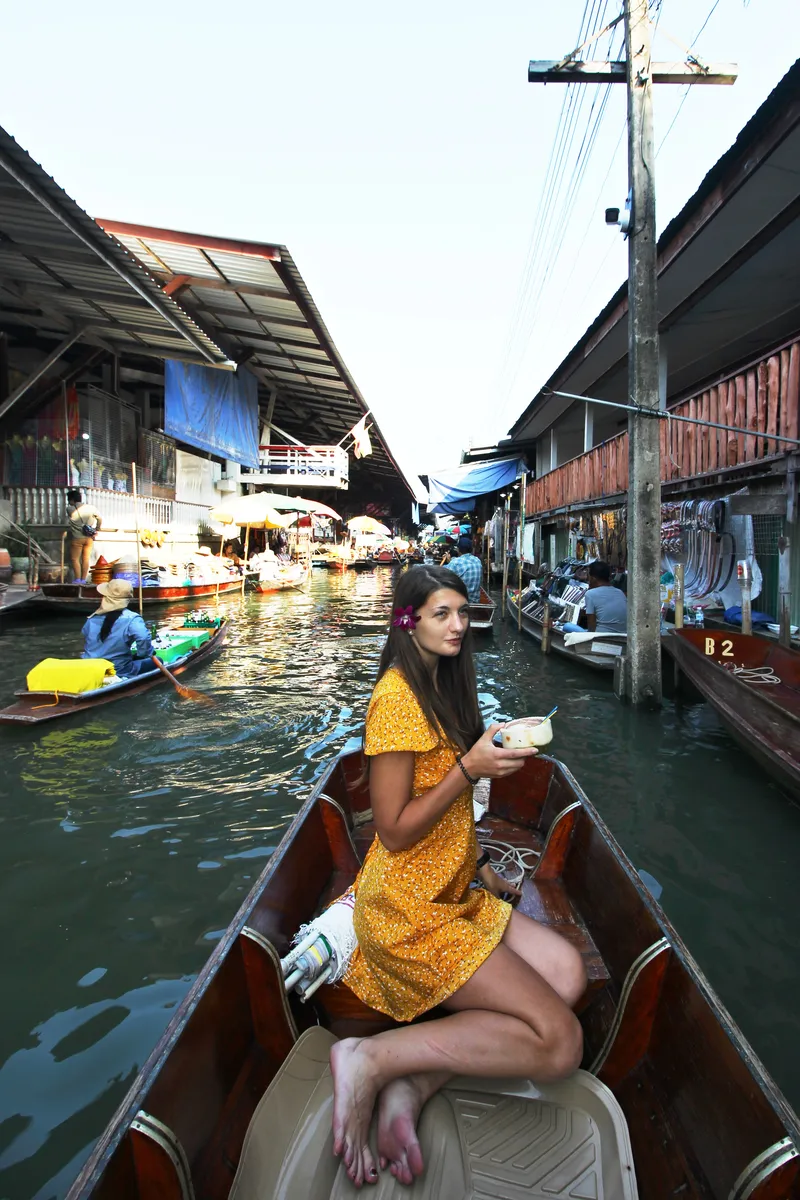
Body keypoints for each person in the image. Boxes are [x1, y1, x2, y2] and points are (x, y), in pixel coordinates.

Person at [331, 566, 586, 1187]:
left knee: (567, 972)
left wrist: (481, 871)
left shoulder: (445, 684)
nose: (457, 625)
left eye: (462, 613)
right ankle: (368, 1057)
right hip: (406, 913)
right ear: (407, 619)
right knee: (561, 1045)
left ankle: (415, 1083)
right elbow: (391, 829)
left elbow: (450, 819)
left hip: (451, 893)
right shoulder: (396, 698)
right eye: (441, 613)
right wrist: (469, 769)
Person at [81, 580, 155, 677]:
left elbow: (86, 635)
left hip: (89, 668)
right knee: (158, 661)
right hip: (119, 670)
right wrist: (142, 654)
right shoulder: (132, 618)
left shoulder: (92, 618)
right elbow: (143, 637)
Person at [562, 560, 627, 633]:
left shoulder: (590, 594)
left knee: (567, 626)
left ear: (593, 578)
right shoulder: (620, 592)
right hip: (622, 636)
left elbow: (591, 626)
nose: (587, 579)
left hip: (601, 637)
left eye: (588, 576)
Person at [66, 489, 102, 583]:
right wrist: (97, 528)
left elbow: (71, 510)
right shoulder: (92, 508)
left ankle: (78, 579)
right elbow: (100, 518)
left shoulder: (70, 509)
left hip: (77, 538)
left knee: (75, 559)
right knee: (85, 559)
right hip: (89, 538)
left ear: (72, 500)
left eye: (69, 500)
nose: (69, 503)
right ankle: (83, 579)